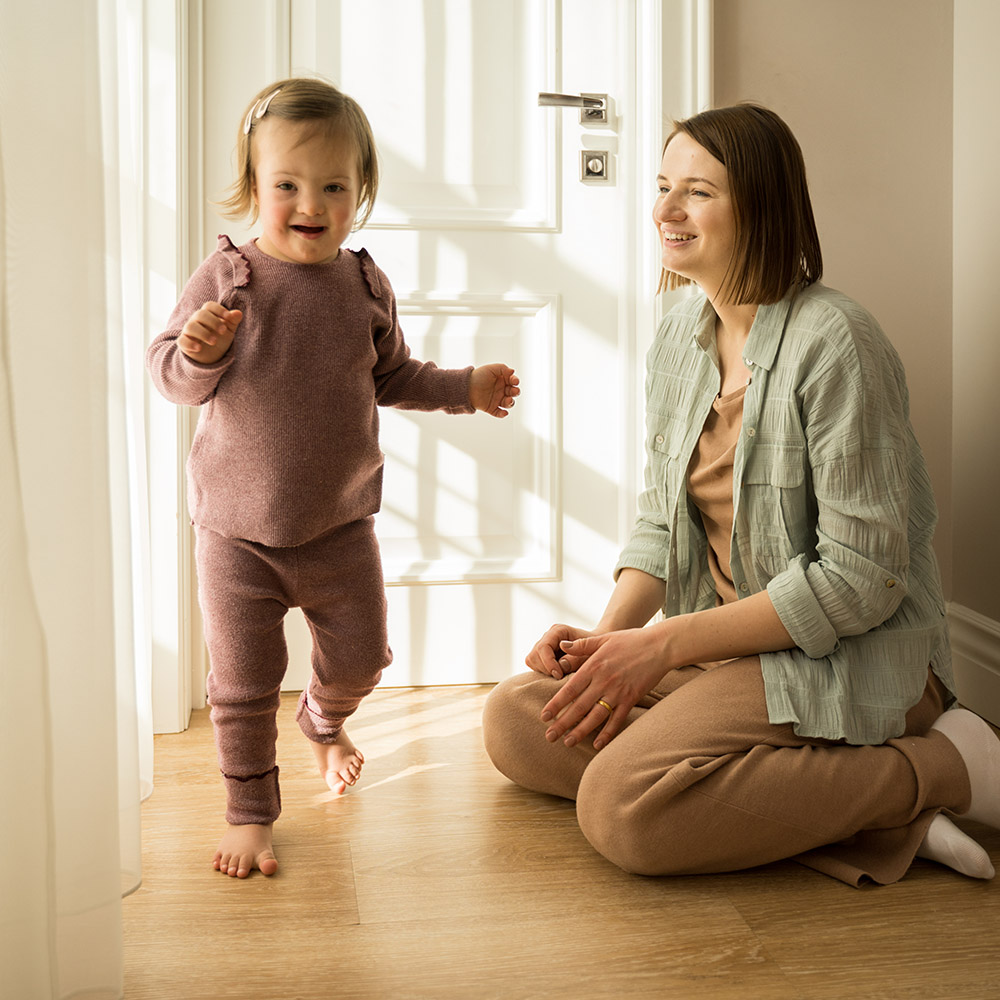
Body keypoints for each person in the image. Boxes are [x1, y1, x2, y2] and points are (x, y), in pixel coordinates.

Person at [482, 103, 999, 887]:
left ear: (760, 206)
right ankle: (874, 818)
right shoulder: (677, 340)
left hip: (840, 657)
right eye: (662, 187)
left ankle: (944, 766)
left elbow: (863, 580)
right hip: (726, 652)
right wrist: (603, 646)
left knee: (623, 810)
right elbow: (661, 524)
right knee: (518, 722)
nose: (665, 210)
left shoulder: (839, 344)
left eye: (697, 192)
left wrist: (660, 647)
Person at [147, 77, 519, 879]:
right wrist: (198, 353)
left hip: (341, 526)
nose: (309, 202)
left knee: (363, 658)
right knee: (243, 685)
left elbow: (395, 375)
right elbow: (171, 378)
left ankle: (323, 719)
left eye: (333, 186)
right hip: (236, 530)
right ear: (254, 187)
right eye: (286, 184)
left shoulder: (362, 285)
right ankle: (250, 810)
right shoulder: (229, 279)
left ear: (360, 194)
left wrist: (467, 387)